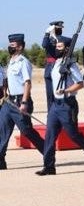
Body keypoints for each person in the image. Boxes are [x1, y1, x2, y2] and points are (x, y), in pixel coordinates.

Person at [35, 36, 84, 175]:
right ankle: (49, 166)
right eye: (56, 46)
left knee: (73, 135)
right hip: (55, 104)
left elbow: (80, 84)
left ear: (67, 48)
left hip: (67, 104)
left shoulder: (71, 65)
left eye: (59, 47)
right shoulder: (55, 64)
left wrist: (66, 90)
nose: (56, 49)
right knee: (50, 135)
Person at [0, 34, 45, 170]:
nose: (10, 47)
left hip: (20, 100)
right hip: (9, 101)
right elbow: (7, 81)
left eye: (13, 45)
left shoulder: (23, 62)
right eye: (10, 45)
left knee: (26, 131)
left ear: (20, 47)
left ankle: (48, 153)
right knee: (3, 130)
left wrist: (24, 102)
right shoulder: (11, 61)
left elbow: (27, 83)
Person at [42, 21, 64, 108]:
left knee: (61, 92)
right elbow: (44, 45)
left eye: (60, 29)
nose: (60, 30)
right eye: (58, 29)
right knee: (50, 94)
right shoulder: (49, 39)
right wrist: (47, 33)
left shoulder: (63, 39)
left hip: (60, 66)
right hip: (51, 67)